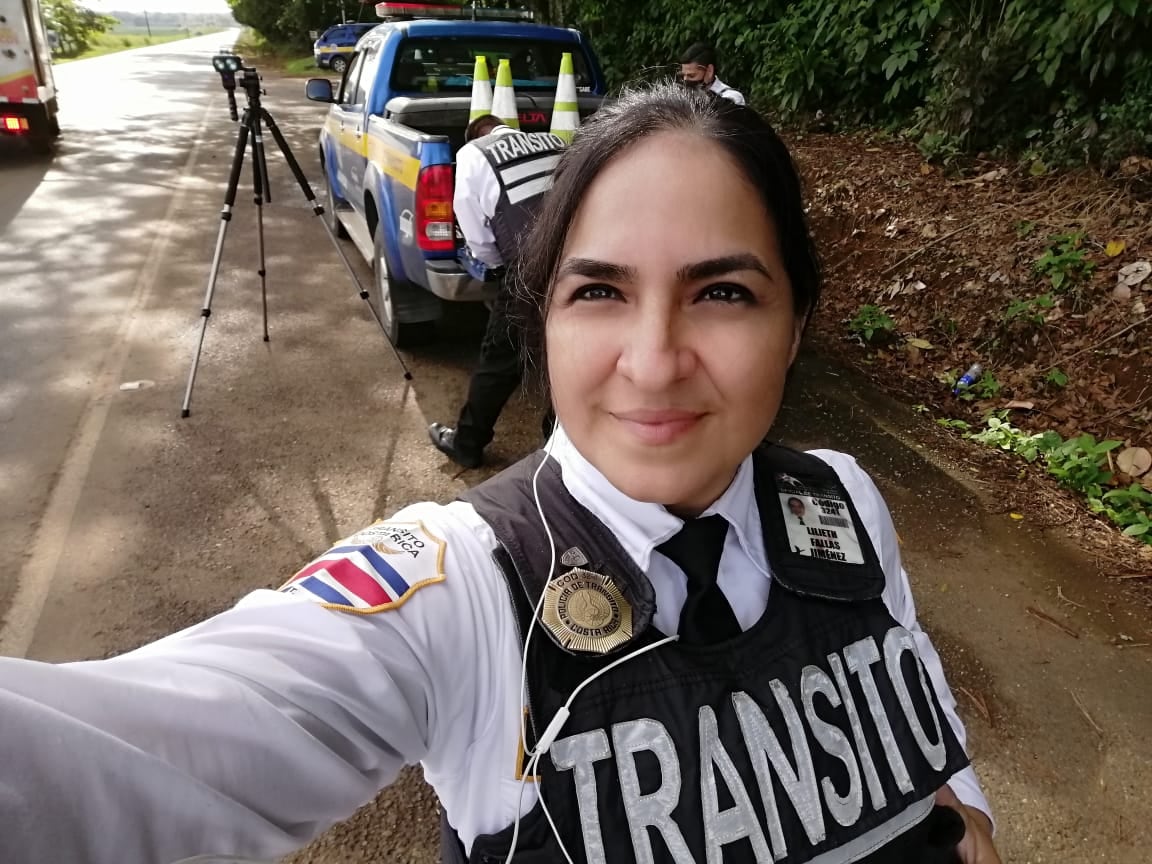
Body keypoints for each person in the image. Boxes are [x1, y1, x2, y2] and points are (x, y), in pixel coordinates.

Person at [0, 83, 1000, 864]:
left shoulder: (839, 497)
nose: (654, 362)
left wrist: (967, 810)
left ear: (797, 326)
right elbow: (117, 755)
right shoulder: (460, 590)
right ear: (544, 322)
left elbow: (912, 706)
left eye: (724, 293)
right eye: (599, 292)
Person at [429, 112, 567, 469]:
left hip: (529, 268)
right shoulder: (552, 141)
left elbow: (475, 232)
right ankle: (559, 442)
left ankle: (467, 444)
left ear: (475, 136)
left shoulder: (474, 153)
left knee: (500, 360)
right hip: (577, 261)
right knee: (567, 354)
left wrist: (495, 266)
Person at [679, 41, 746, 105]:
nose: (685, 80)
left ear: (709, 71)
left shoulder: (731, 98)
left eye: (691, 75)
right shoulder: (681, 97)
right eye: (683, 76)